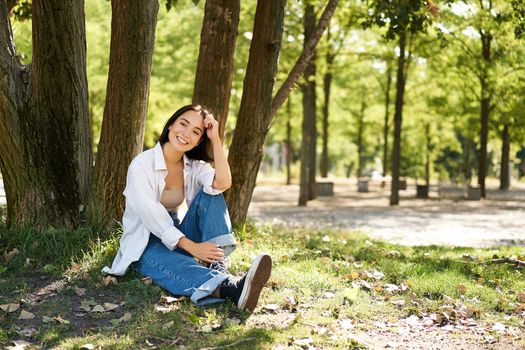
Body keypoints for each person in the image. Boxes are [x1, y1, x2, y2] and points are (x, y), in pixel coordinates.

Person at [102, 104, 272, 312]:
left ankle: (217, 262)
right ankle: (233, 289)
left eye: (196, 132)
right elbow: (152, 217)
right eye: (183, 124)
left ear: (200, 140)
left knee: (211, 193)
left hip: (177, 230)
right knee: (173, 266)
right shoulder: (141, 165)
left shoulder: (194, 165)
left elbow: (223, 182)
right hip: (145, 240)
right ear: (171, 125)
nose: (186, 134)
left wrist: (216, 139)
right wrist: (192, 247)